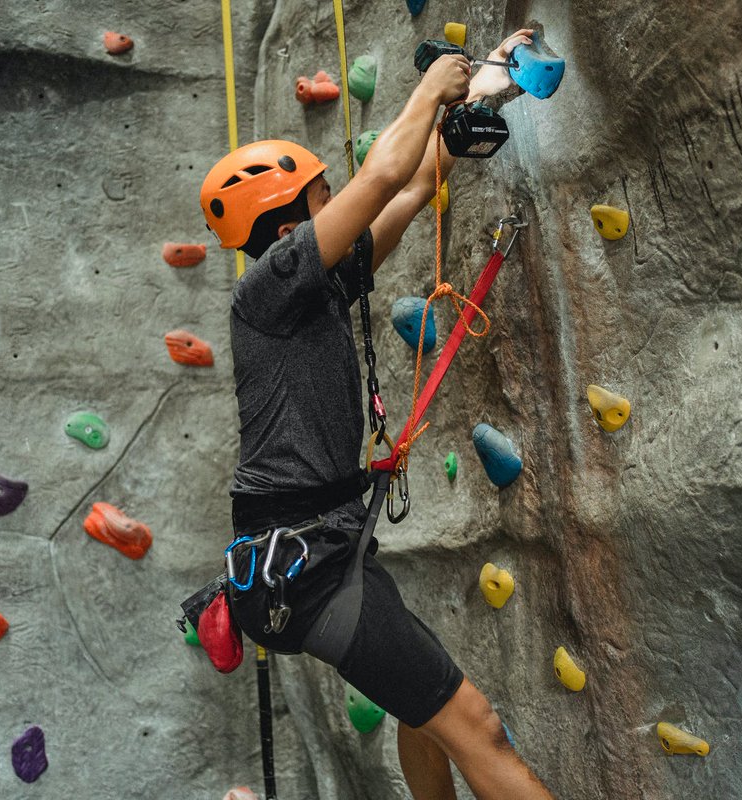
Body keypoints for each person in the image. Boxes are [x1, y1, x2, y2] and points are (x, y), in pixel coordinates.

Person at [199, 29, 554, 800]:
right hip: (310, 568)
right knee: (476, 726)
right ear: (289, 229)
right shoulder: (267, 287)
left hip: (327, 554)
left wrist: (484, 89)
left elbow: (414, 184)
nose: (343, 205)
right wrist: (432, 87)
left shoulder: (316, 289)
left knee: (422, 718)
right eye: (327, 197)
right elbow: (386, 169)